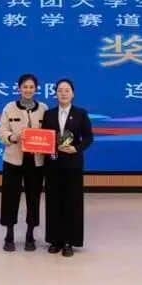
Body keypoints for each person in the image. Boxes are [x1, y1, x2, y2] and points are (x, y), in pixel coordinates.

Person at [41, 78, 93, 257]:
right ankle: (55, 240)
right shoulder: (48, 114)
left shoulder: (81, 114)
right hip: (53, 163)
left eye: (67, 90)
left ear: (73, 94)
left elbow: (88, 137)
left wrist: (76, 148)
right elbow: (44, 137)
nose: (63, 93)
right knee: (53, 201)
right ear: (55, 94)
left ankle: (70, 241)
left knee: (72, 201)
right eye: (60, 90)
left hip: (73, 164)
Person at [0, 73, 48, 252]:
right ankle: (9, 234)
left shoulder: (43, 108)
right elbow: (1, 131)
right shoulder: (9, 107)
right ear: (19, 89)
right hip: (13, 160)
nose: (28, 90)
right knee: (10, 197)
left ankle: (30, 234)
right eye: (25, 87)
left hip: (36, 161)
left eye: (31, 87)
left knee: (34, 198)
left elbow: (49, 132)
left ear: (36, 89)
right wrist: (13, 136)